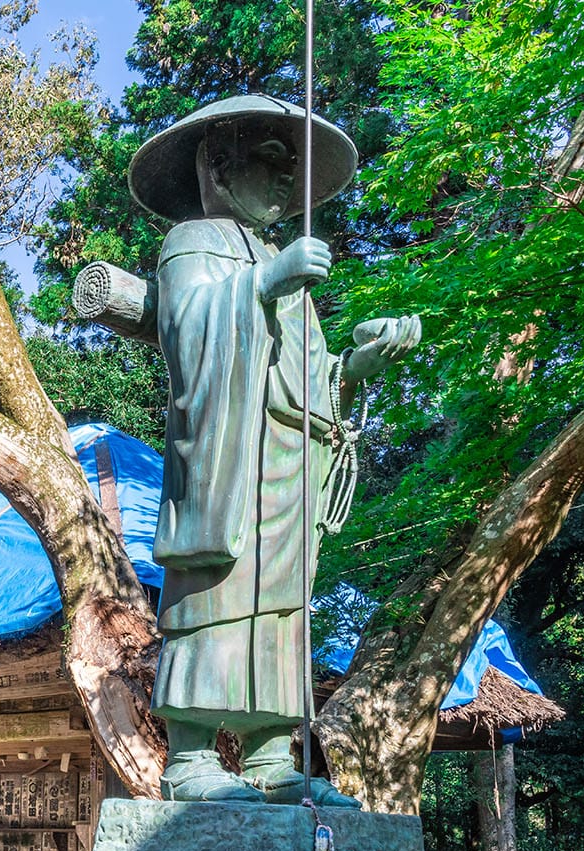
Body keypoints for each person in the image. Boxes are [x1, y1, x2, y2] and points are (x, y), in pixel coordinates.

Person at [128, 95, 421, 805]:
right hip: (232, 453)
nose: (289, 178)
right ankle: (192, 755)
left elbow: (307, 372)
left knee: (282, 609)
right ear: (218, 165)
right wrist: (261, 283)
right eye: (272, 159)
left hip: (290, 451)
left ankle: (269, 756)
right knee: (220, 590)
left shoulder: (280, 260)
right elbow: (192, 332)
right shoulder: (193, 243)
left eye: (294, 166)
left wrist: (354, 367)